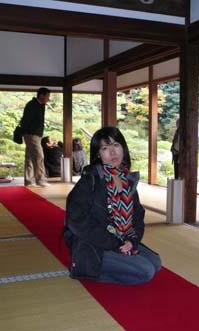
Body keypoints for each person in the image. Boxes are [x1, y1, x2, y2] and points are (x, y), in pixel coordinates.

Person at [64, 127, 162, 285]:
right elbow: (76, 221)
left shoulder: (127, 179)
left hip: (122, 238)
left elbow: (137, 214)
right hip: (96, 244)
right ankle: (87, 270)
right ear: (98, 154)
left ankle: (119, 261)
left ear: (123, 148)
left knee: (156, 263)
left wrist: (132, 240)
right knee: (146, 271)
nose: (112, 152)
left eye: (116, 145)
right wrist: (115, 244)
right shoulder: (90, 180)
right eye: (105, 148)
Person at [20, 87, 51, 187]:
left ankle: (29, 181)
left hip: (35, 135)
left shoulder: (40, 105)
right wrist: (26, 132)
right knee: (39, 156)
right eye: (47, 96)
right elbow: (25, 120)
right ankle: (40, 179)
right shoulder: (32, 105)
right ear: (41, 95)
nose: (48, 99)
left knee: (29, 157)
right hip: (31, 134)